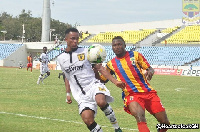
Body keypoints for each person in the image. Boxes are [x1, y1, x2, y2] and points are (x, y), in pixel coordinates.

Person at [96, 36, 170, 132]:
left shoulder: (135, 55)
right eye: (114, 45)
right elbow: (102, 80)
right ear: (112, 48)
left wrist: (150, 71)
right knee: (140, 118)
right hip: (131, 95)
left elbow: (149, 68)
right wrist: (95, 69)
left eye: (119, 44)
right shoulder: (111, 64)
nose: (117, 47)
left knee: (165, 123)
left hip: (148, 93)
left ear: (124, 45)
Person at [57, 28, 125, 132]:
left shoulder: (86, 52)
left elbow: (100, 68)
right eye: (72, 38)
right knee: (87, 119)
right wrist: (68, 94)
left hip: (93, 85)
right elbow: (67, 76)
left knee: (101, 102)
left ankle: (117, 128)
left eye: (77, 39)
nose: (75, 41)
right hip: (80, 95)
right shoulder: (61, 58)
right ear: (66, 39)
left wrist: (115, 82)